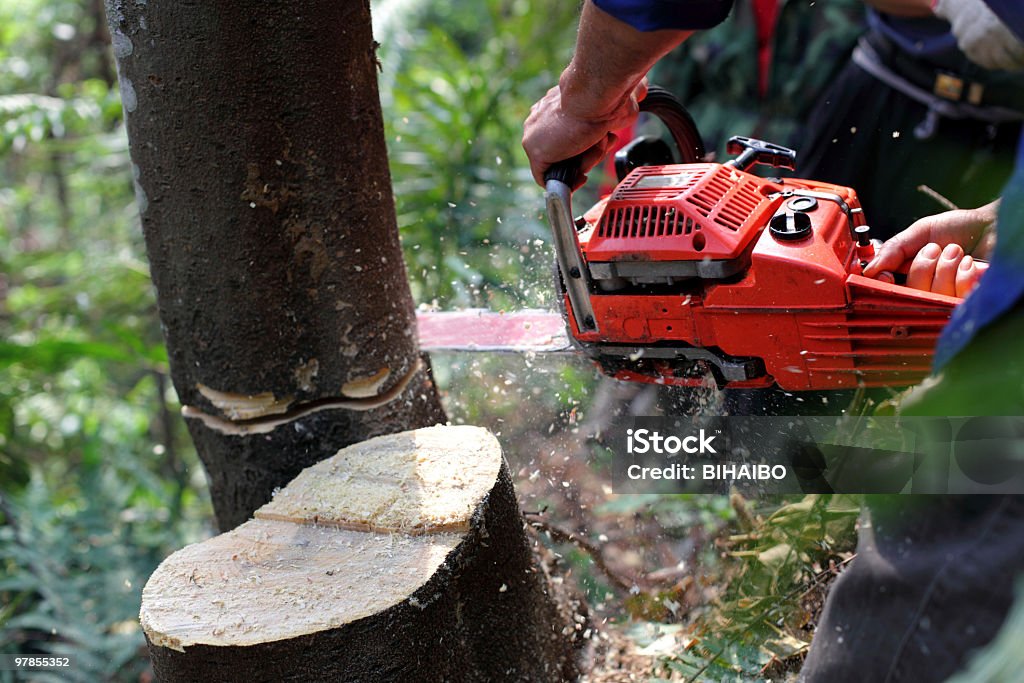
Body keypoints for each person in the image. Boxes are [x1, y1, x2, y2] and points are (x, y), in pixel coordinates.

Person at [523, 1, 1024, 680]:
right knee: (799, 440)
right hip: (902, 96)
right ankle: (782, 565)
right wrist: (1002, 219)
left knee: (955, 491)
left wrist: (583, 98)